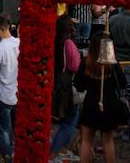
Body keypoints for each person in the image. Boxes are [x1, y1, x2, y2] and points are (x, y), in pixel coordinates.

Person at [74, 34, 127, 163]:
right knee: (108, 141)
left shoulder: (86, 62)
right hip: (109, 103)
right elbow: (122, 82)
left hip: (91, 103)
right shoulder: (112, 63)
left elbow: (78, 85)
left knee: (87, 140)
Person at [0, 14, 19, 162]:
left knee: (4, 129)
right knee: (17, 126)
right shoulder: (20, 43)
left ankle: (7, 155)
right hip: (19, 93)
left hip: (3, 95)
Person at [51, 14, 81, 159]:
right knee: (71, 120)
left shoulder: (55, 41)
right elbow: (75, 66)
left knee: (68, 119)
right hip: (67, 86)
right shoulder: (68, 43)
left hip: (57, 83)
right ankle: (55, 151)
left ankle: (63, 149)